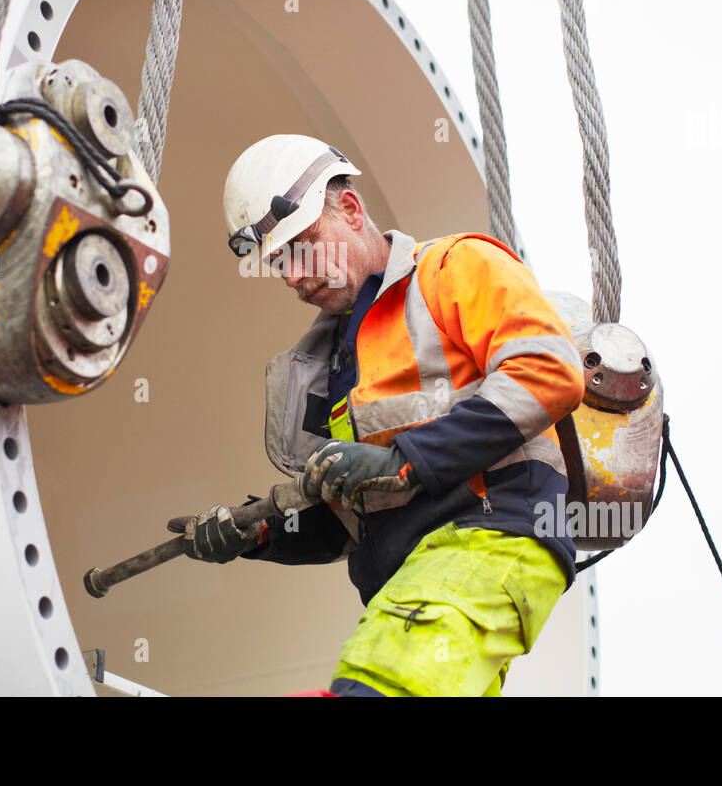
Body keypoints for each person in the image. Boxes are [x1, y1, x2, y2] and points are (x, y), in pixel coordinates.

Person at [170, 134, 586, 697]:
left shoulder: (452, 267)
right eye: (278, 262)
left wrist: (402, 460)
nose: (292, 276)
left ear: (350, 208)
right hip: (413, 582)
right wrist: (256, 533)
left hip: (486, 543)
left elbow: (548, 370)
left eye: (302, 245)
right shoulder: (334, 366)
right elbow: (350, 515)